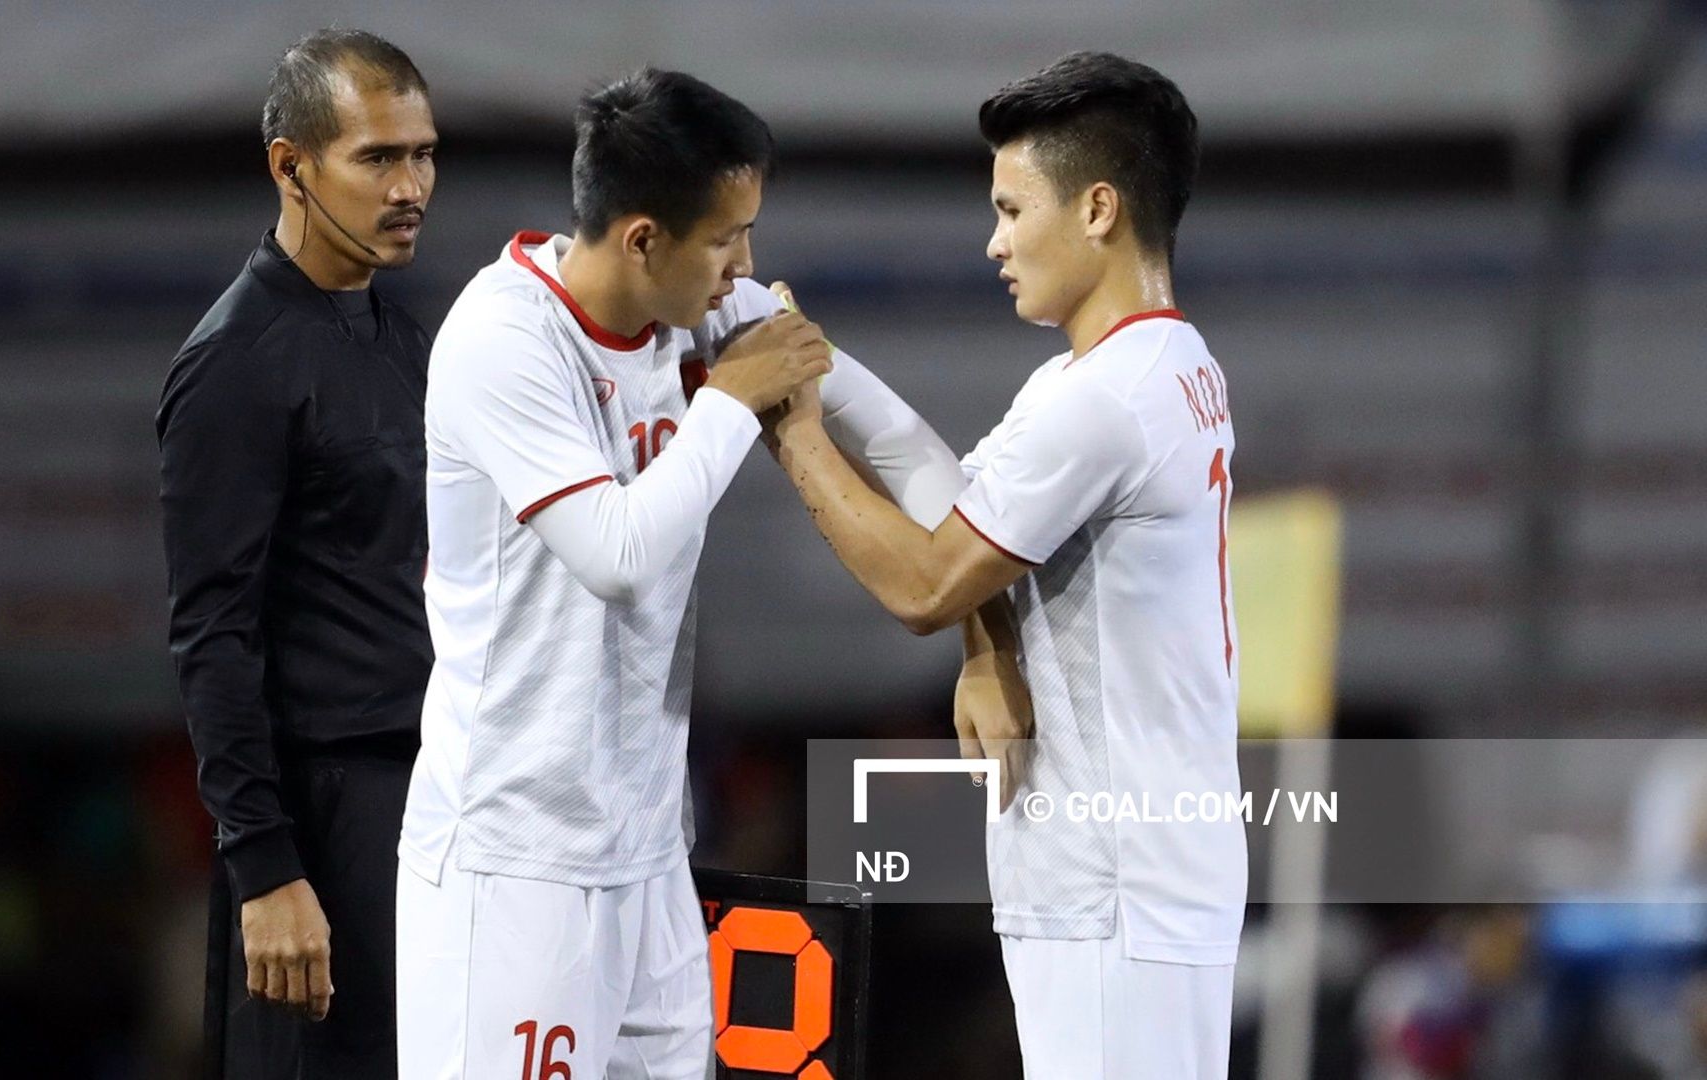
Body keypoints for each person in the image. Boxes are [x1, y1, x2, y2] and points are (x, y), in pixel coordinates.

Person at [393, 68, 996, 1079]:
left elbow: (898, 441)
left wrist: (989, 616)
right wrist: (731, 401)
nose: (746, 266)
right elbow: (618, 557)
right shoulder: (501, 341)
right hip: (514, 866)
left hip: (647, 853)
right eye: (726, 238)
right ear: (641, 239)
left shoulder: (713, 312)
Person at [763, 52, 1246, 1078]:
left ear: (1099, 209)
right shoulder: (1153, 367)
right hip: (1138, 873)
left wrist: (790, 429)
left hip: (1115, 883)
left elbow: (928, 583)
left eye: (1011, 208)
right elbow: (948, 492)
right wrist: (806, 353)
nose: (994, 242)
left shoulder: (1102, 402)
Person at [156, 28, 437, 1080]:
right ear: (291, 166)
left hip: (425, 800)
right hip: (319, 822)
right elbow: (209, 636)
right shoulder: (234, 362)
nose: (411, 186)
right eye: (378, 158)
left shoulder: (404, 340)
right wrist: (265, 866)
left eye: (423, 154)